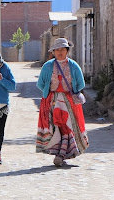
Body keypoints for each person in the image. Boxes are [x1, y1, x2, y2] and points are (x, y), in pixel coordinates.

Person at [36, 38, 89, 166]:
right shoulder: (48, 66)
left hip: (69, 100)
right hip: (52, 100)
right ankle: (60, 152)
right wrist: (49, 93)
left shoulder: (73, 66)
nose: (60, 52)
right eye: (57, 50)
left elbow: (81, 83)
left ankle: (62, 152)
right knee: (56, 126)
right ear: (53, 52)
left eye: (62, 50)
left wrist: (72, 91)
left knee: (67, 126)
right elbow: (40, 84)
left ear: (67, 51)